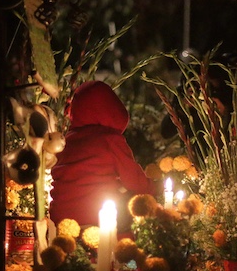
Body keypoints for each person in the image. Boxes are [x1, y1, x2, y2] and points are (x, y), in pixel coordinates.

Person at [49, 80, 158, 232]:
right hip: (95, 218)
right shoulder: (110, 139)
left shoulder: (65, 141)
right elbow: (133, 179)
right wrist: (154, 188)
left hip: (59, 220)